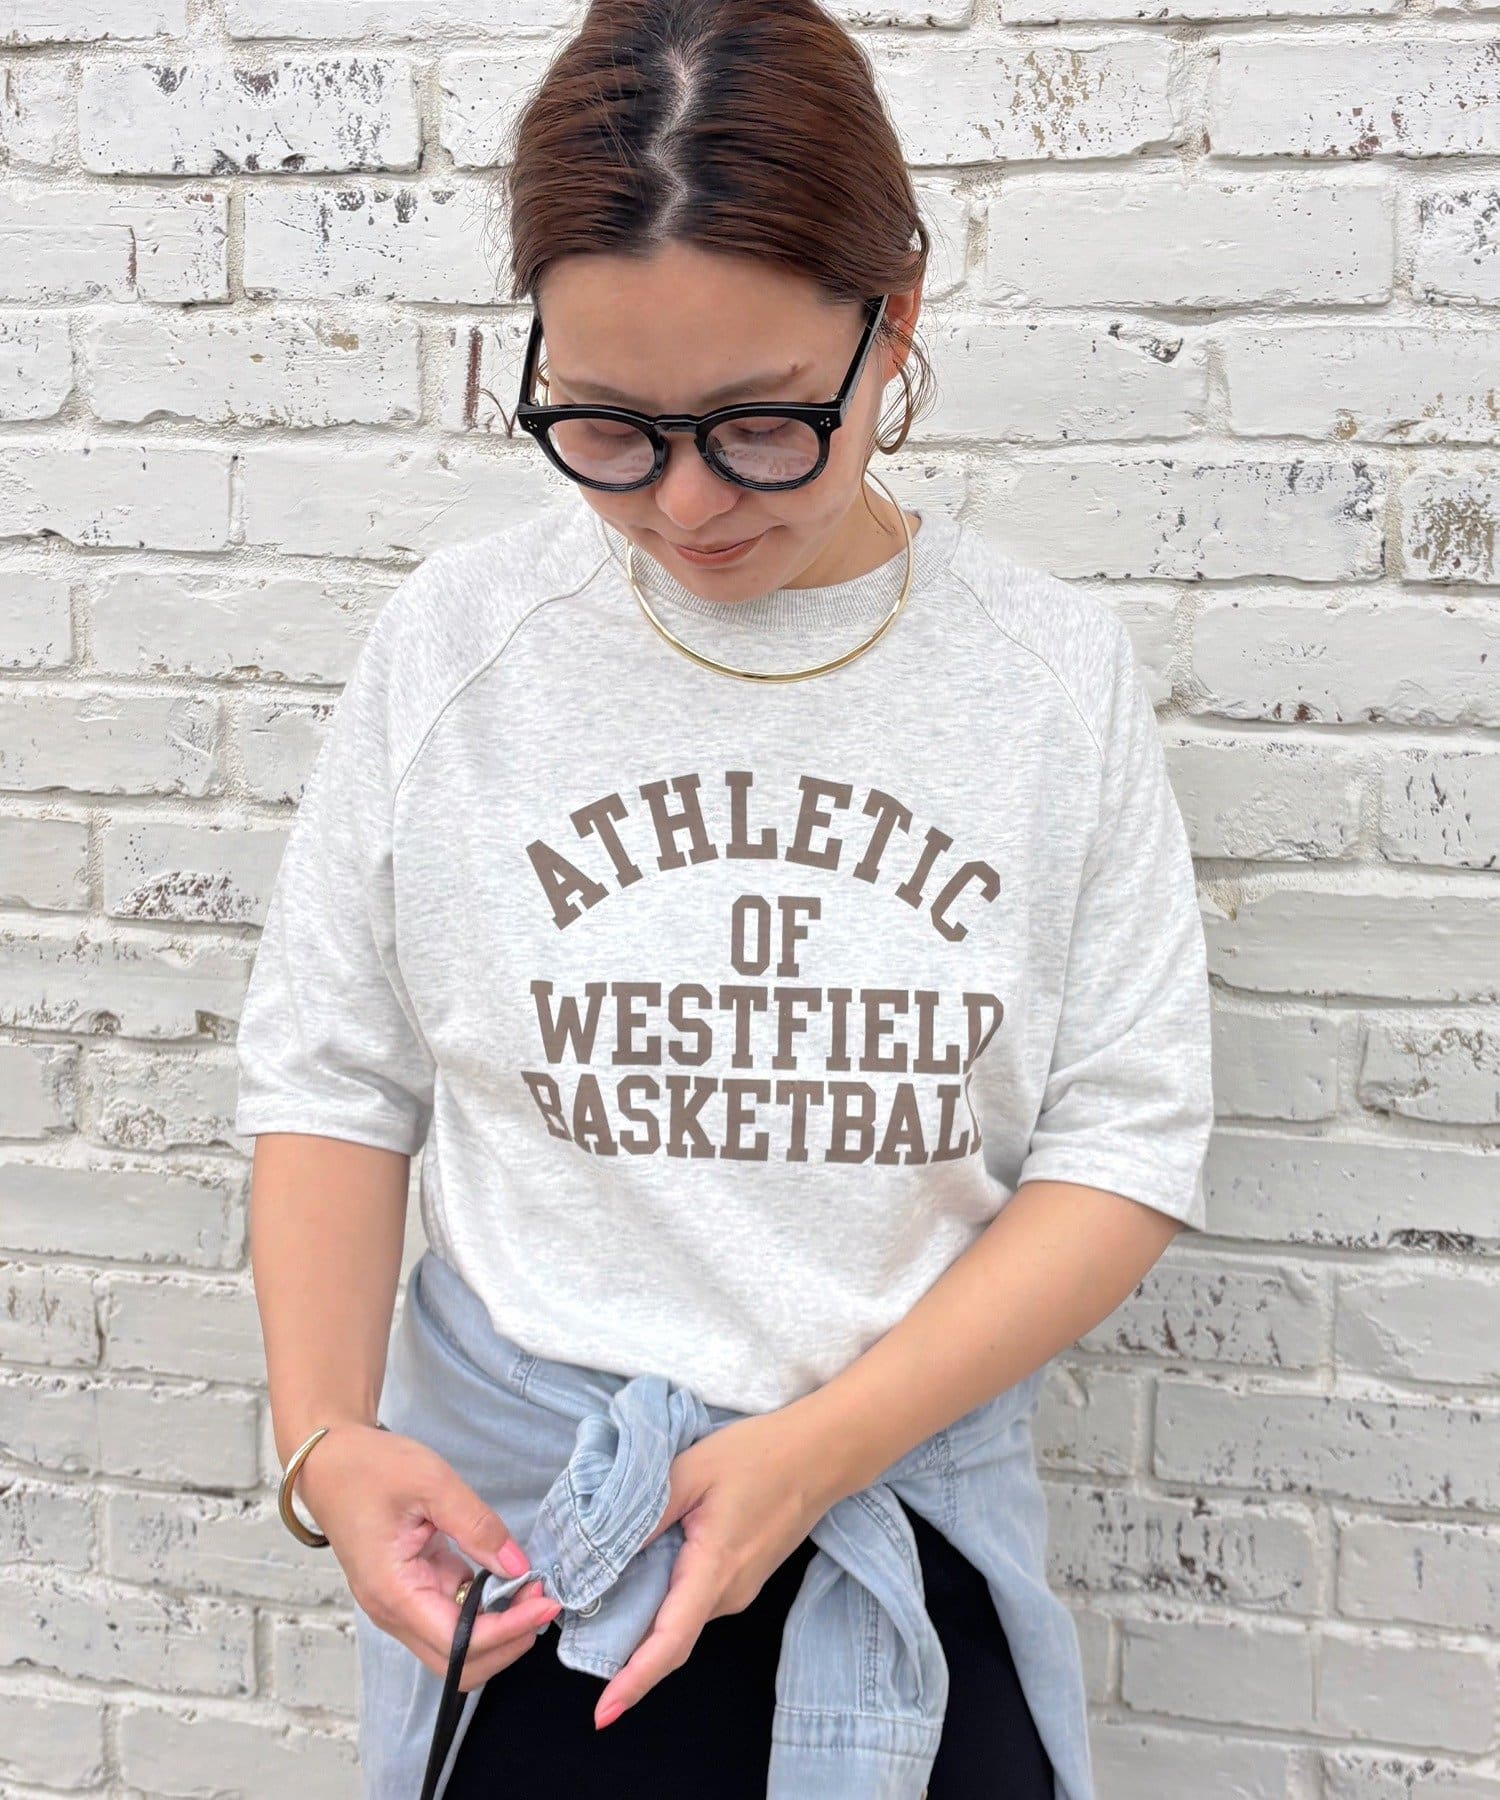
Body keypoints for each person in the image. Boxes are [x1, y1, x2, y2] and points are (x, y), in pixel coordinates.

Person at [235, 2, 1215, 1795]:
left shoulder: (1047, 678)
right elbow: (332, 1074)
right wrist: (323, 1440)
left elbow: (1126, 1143)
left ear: (893, 319)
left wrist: (821, 1446)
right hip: (534, 1551)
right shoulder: (457, 647)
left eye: (762, 426)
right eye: (608, 428)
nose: (686, 506)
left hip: (903, 1531)